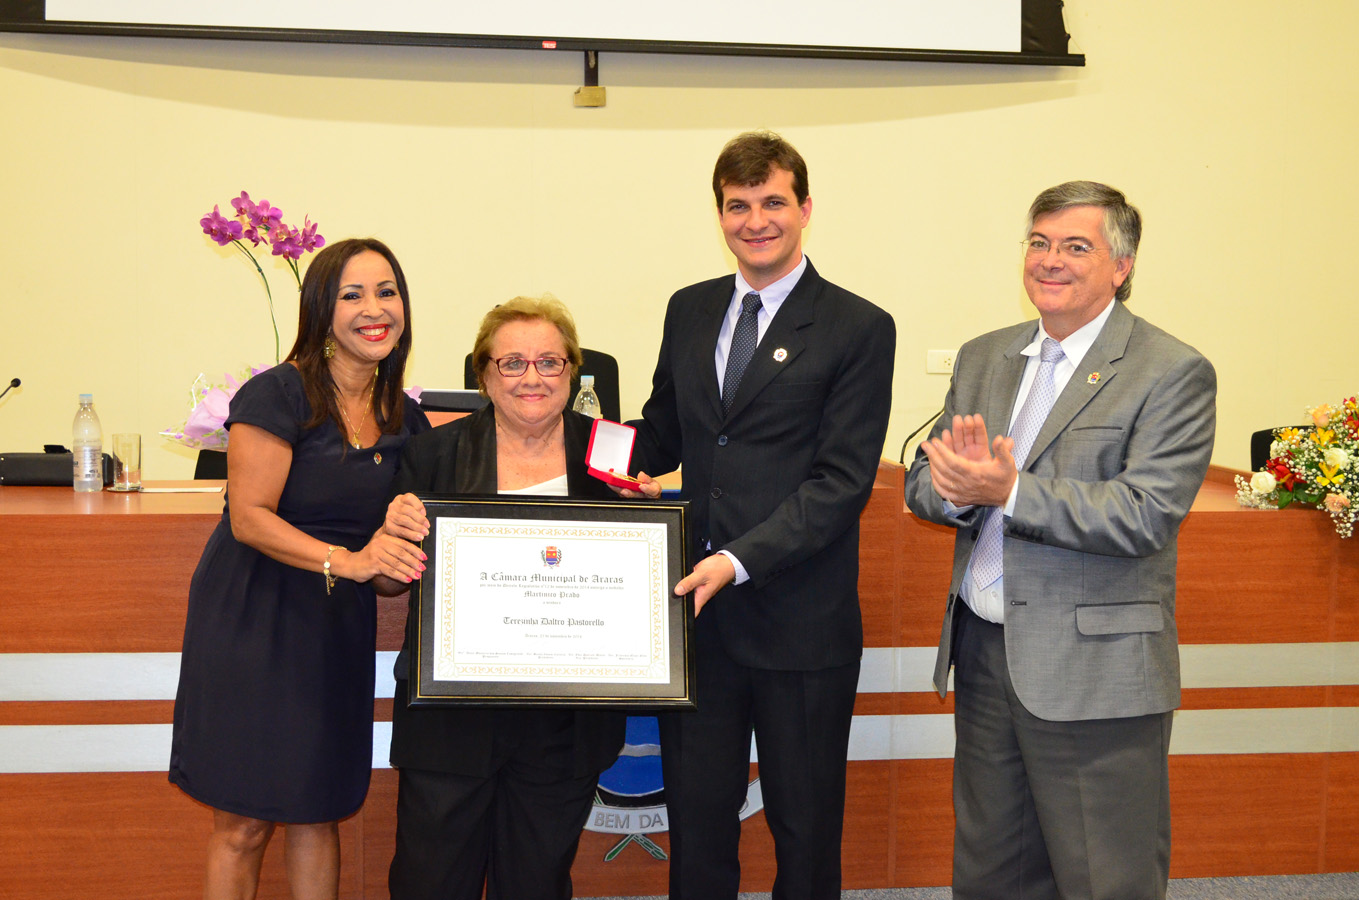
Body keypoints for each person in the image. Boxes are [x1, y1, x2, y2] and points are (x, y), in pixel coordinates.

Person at [904, 181, 1217, 900]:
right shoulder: (985, 356)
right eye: (1038, 243)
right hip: (986, 654)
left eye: (1075, 246)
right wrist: (953, 487)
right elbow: (927, 479)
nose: (1050, 261)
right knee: (991, 872)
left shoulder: (1169, 370)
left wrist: (1005, 491)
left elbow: (1143, 514)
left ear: (1121, 265)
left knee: (1103, 876)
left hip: (1094, 671)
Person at [623, 131, 896, 900]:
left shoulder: (856, 326)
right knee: (699, 825)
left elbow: (840, 482)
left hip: (799, 623)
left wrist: (736, 559)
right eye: (737, 205)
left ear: (804, 209)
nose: (755, 219)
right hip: (699, 625)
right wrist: (563, 443)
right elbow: (663, 433)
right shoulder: (690, 308)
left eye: (772, 201)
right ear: (719, 214)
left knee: (804, 833)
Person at [169, 238, 432, 900]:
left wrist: (395, 558)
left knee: (319, 808)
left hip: (333, 626)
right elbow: (249, 517)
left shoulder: (406, 417)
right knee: (245, 820)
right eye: (352, 295)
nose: (374, 309)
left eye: (386, 292)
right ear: (320, 308)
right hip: (254, 617)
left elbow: (389, 570)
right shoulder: (278, 394)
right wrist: (351, 560)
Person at [381, 295, 627, 900]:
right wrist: (390, 539)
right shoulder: (432, 452)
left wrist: (643, 529)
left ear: (573, 370)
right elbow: (390, 581)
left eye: (550, 361)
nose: (532, 377)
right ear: (483, 375)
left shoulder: (613, 452)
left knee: (536, 883)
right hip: (451, 717)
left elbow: (636, 569)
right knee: (430, 882)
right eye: (511, 363)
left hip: (565, 719)